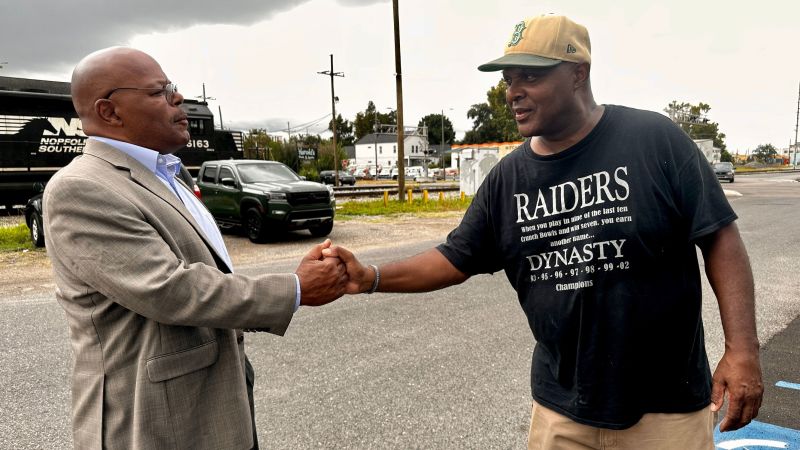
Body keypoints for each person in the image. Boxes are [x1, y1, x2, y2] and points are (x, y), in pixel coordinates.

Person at [325, 14, 762, 449]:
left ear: (578, 74)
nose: (514, 92)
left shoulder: (654, 140)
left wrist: (742, 352)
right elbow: (455, 258)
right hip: (561, 412)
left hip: (665, 411)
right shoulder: (508, 178)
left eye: (530, 76)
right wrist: (369, 278)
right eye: (509, 79)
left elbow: (720, 239)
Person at [43, 47, 348, 449]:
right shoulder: (81, 188)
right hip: (155, 420)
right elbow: (170, 290)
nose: (178, 97)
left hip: (215, 402)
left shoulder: (170, 172)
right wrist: (294, 288)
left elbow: (210, 272)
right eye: (160, 91)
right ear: (110, 112)